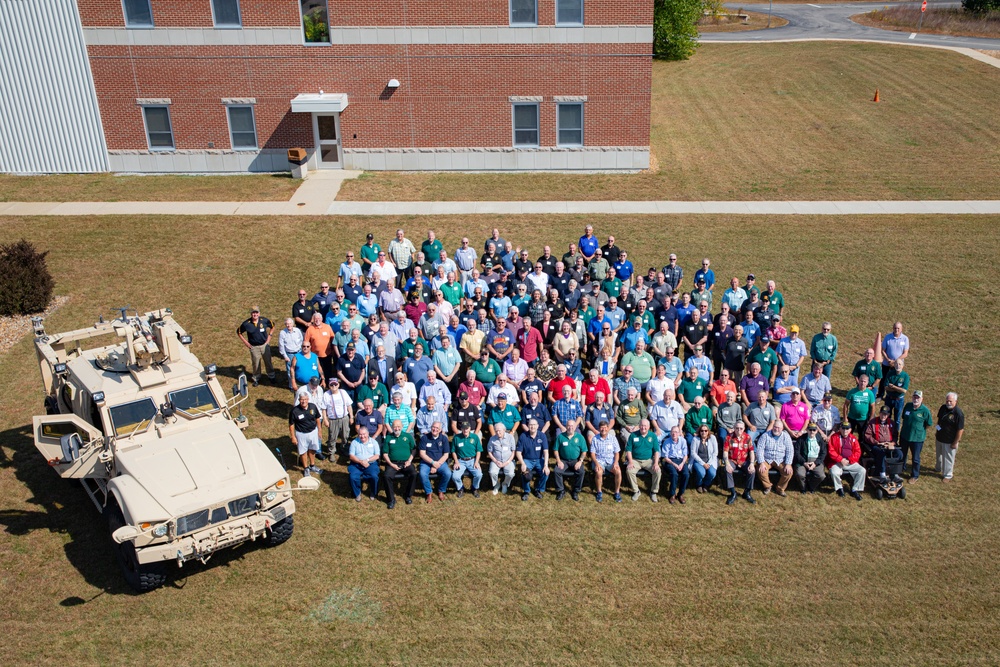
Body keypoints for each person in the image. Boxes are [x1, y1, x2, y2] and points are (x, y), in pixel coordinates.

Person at [381, 419, 417, 509]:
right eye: (395, 427)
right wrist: (391, 464)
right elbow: (385, 453)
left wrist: (409, 461)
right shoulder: (388, 437)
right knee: (386, 476)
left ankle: (408, 495)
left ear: (402, 427)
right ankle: (391, 499)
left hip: (406, 462)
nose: (397, 428)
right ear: (392, 428)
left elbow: (414, 449)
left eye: (398, 426)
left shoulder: (408, 436)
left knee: (414, 474)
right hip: (392, 463)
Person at [899, 390, 933, 482]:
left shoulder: (925, 411)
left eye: (918, 397)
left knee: (916, 458)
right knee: (902, 455)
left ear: (922, 399)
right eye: (914, 397)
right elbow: (903, 417)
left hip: (917, 439)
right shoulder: (908, 406)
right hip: (904, 436)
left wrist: (919, 430)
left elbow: (929, 424)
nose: (916, 399)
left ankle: (915, 475)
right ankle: (901, 470)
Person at [624, 419, 661, 502]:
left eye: (645, 426)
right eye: (642, 425)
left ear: (648, 427)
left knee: (658, 471)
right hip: (635, 460)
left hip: (648, 460)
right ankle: (636, 491)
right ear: (639, 426)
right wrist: (630, 462)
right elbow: (628, 450)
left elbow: (656, 451)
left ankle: (653, 492)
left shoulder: (653, 436)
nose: (643, 427)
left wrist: (656, 463)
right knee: (629, 470)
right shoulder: (633, 435)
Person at [236, 307, 274, 387]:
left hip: (264, 345)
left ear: (259, 313)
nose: (255, 314)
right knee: (256, 363)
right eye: (253, 313)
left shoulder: (264, 320)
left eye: (256, 313)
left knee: (268, 361)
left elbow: (272, 326)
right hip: (254, 347)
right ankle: (256, 378)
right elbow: (239, 332)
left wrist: (269, 336)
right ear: (251, 314)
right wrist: (246, 343)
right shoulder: (246, 323)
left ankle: (271, 376)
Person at [289, 391, 324, 477]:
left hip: (313, 432)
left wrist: (319, 430)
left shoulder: (313, 406)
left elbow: (318, 419)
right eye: (301, 399)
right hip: (301, 434)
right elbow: (291, 425)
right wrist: (293, 436)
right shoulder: (294, 411)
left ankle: (312, 465)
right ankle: (306, 468)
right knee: (303, 451)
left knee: (312, 449)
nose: (303, 401)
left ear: (308, 399)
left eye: (305, 399)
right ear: (299, 400)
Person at [827, 422, 865, 500]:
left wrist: (849, 459)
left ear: (850, 430)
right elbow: (831, 451)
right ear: (840, 429)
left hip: (850, 462)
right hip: (837, 462)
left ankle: (855, 489)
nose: (845, 430)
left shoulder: (853, 438)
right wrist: (840, 459)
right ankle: (839, 488)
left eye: (847, 428)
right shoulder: (834, 437)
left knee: (862, 471)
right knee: (834, 472)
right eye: (843, 428)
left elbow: (858, 452)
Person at [755, 421, 793, 497]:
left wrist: (788, 464)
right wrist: (762, 462)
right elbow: (760, 449)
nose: (776, 429)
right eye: (775, 427)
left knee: (788, 472)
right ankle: (768, 486)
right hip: (767, 459)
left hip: (781, 460)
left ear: (782, 429)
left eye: (779, 428)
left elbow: (790, 451)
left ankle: (780, 489)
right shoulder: (765, 436)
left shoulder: (786, 437)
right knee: (761, 470)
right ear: (773, 427)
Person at [864, 406, 902, 483]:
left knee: (899, 454)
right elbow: (867, 436)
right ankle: (882, 474)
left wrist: (892, 443)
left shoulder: (891, 423)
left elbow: (895, 435)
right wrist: (877, 442)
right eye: (882, 414)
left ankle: (894, 474)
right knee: (881, 454)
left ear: (888, 415)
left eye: (885, 414)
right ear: (879, 413)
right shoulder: (873, 422)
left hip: (889, 445)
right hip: (876, 445)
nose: (883, 416)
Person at [722, 422, 756, 505]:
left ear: (744, 428)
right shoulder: (729, 437)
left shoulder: (747, 437)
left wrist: (751, 463)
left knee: (752, 471)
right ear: (734, 428)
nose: (739, 430)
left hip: (744, 461)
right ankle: (733, 493)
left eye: (741, 428)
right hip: (732, 460)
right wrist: (727, 464)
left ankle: (747, 493)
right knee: (728, 470)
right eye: (737, 428)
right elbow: (725, 452)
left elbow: (751, 451)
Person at [553, 420, 587, 501]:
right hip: (563, 460)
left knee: (581, 471)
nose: (570, 427)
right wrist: (558, 460)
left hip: (575, 460)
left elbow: (584, 451)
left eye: (572, 426)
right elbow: (555, 449)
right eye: (568, 425)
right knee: (556, 471)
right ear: (566, 426)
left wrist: (580, 461)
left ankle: (576, 490)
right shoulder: (560, 437)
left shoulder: (580, 437)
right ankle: (561, 490)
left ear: (575, 427)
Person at [589, 420, 622, 503]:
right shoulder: (595, 439)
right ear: (599, 429)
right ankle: (599, 492)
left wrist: (615, 463)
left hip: (611, 461)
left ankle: (617, 492)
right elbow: (592, 454)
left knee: (618, 471)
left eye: (605, 427)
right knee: (599, 472)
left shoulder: (613, 438)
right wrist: (596, 463)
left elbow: (617, 453)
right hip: (599, 461)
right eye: (601, 428)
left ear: (608, 428)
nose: (603, 429)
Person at [419, 421, 452, 502]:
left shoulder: (444, 438)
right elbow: (422, 454)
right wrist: (433, 463)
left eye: (437, 428)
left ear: (440, 430)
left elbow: (446, 455)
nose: (435, 429)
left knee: (448, 473)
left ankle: (441, 490)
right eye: (433, 427)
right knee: (422, 474)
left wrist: (437, 464)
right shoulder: (425, 438)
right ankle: (429, 492)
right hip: (426, 462)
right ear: (431, 427)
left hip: (440, 462)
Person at [517, 419, 550, 500]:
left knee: (546, 473)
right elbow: (518, 452)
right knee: (525, 474)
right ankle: (526, 491)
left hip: (539, 459)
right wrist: (523, 463)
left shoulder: (542, 435)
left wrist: (546, 465)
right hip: (527, 460)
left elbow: (546, 451)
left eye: (534, 425)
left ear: (538, 426)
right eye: (531, 425)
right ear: (528, 426)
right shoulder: (523, 436)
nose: (532, 426)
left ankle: (538, 489)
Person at [935, 392, 964, 482]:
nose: (948, 403)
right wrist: (937, 431)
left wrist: (955, 442)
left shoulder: (958, 414)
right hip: (939, 437)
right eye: (947, 401)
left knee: (948, 458)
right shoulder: (943, 408)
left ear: (956, 401)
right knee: (938, 455)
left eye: (950, 401)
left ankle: (948, 475)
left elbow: (960, 430)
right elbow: (939, 421)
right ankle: (938, 468)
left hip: (950, 440)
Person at [451, 421, 484, 498]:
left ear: (470, 429)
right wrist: (456, 462)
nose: (465, 430)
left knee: (479, 474)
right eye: (463, 428)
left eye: (467, 428)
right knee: (455, 476)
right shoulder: (456, 437)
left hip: (472, 460)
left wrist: (476, 462)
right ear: (461, 429)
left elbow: (479, 450)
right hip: (461, 461)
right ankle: (461, 488)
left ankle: (474, 488)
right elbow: (453, 451)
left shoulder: (475, 437)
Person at [348, 426, 380, 502]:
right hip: (357, 464)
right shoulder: (354, 442)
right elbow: (351, 456)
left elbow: (377, 456)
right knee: (353, 476)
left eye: (364, 434)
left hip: (370, 464)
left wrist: (367, 460)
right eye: (360, 434)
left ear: (368, 434)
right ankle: (357, 493)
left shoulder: (374, 442)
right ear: (358, 435)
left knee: (374, 476)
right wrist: (360, 461)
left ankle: (373, 492)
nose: (362, 436)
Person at [793, 422, 827, 493]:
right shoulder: (801, 439)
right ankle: (803, 487)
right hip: (803, 460)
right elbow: (796, 452)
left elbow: (823, 453)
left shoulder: (820, 439)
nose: (812, 431)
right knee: (800, 474)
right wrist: (804, 462)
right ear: (807, 430)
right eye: (810, 429)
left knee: (821, 476)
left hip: (815, 460)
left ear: (817, 431)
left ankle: (811, 486)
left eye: (814, 430)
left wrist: (815, 463)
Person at [659, 425, 689, 504]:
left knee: (686, 474)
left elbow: (685, 455)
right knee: (674, 474)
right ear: (670, 433)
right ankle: (672, 494)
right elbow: (665, 457)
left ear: (679, 433)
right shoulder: (666, 442)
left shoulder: (683, 441)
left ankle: (680, 494)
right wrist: (674, 464)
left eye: (676, 432)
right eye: (672, 432)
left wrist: (682, 464)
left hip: (681, 460)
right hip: (670, 461)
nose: (674, 434)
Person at [323, 378, 353, 458]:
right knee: (332, 436)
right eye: (331, 385)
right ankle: (331, 452)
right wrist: (325, 419)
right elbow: (324, 409)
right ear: (329, 385)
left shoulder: (343, 392)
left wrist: (351, 417)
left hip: (344, 418)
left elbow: (349, 405)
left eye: (335, 384)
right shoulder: (326, 394)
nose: (333, 386)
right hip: (333, 420)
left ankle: (344, 448)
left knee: (345, 435)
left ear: (338, 385)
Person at [880, 321, 910, 399]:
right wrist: (888, 360)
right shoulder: (887, 337)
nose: (896, 330)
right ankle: (880, 395)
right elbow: (883, 350)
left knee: (895, 381)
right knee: (883, 379)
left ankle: (892, 395)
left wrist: (896, 361)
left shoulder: (905, 339)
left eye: (898, 328)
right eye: (895, 328)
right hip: (887, 363)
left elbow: (905, 353)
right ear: (893, 328)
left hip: (898, 365)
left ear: (901, 329)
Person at [486, 423, 517, 494]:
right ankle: (496, 484)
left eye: (499, 431)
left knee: (510, 474)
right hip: (496, 460)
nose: (498, 432)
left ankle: (505, 484)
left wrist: (507, 462)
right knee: (492, 472)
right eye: (496, 431)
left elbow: (513, 451)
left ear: (504, 430)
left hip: (508, 460)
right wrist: (495, 461)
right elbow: (489, 452)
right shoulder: (492, 439)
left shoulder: (510, 437)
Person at [688, 424, 718, 494]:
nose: (703, 432)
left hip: (710, 461)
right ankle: (699, 484)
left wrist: (709, 463)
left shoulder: (712, 438)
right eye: (702, 431)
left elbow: (715, 452)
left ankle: (706, 484)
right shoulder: (695, 439)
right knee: (702, 473)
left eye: (705, 430)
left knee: (712, 473)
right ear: (699, 431)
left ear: (708, 431)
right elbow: (693, 453)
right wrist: (703, 463)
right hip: (698, 461)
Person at [882, 359, 910, 432]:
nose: (898, 365)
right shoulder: (890, 373)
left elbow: (904, 390)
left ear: (903, 366)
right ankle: (886, 433)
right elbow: (886, 387)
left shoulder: (905, 376)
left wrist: (893, 387)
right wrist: (898, 389)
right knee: (887, 417)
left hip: (899, 400)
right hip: (889, 398)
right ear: (894, 365)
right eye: (896, 364)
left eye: (900, 364)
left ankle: (895, 435)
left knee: (897, 419)